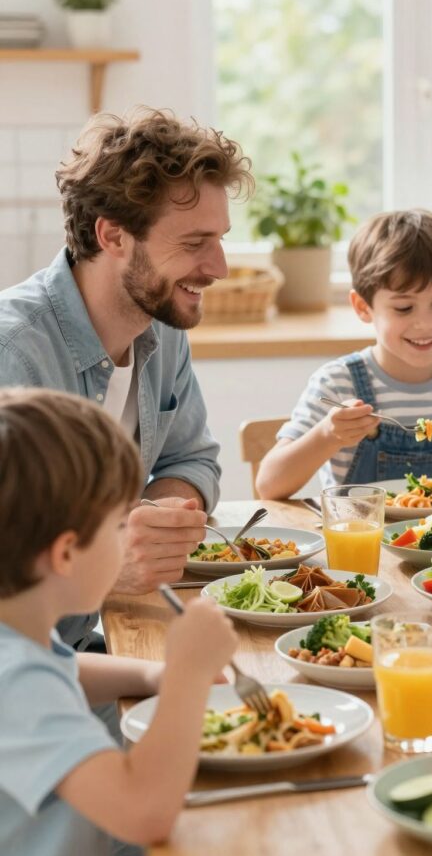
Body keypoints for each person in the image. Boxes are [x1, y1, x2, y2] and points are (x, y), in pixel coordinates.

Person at [0, 107, 252, 650]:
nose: (219, 267)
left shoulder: (160, 322)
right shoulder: (12, 357)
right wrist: (105, 561)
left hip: (89, 650)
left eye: (220, 238)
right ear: (112, 235)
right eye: (193, 243)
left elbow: (192, 459)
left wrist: (159, 518)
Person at [0, 388, 238, 856]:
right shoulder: (15, 680)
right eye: (118, 526)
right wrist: (189, 677)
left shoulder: (16, 640)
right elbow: (144, 812)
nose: (129, 541)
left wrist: (153, 674)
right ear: (66, 554)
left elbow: (64, 670)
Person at [256, 209, 432, 499]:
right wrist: (327, 435)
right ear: (363, 308)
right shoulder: (338, 383)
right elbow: (268, 484)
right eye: (404, 308)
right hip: (360, 543)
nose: (425, 324)